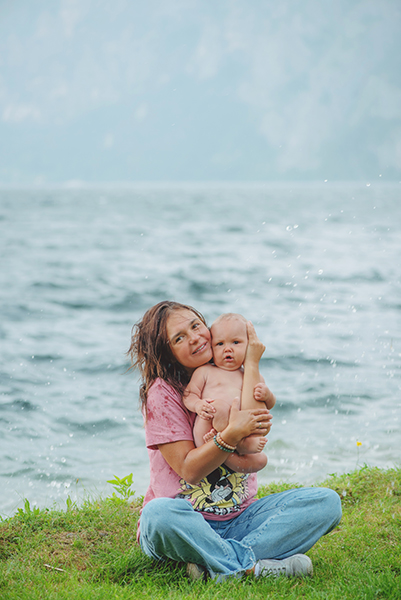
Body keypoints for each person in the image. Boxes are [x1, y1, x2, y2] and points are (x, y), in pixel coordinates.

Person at [127, 301, 342, 582]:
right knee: (158, 515)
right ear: (167, 352)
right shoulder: (163, 392)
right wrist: (229, 435)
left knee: (326, 503)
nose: (194, 338)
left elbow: (256, 420)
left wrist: (251, 362)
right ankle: (253, 567)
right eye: (179, 338)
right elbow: (190, 471)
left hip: (241, 520)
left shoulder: (234, 373)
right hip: (186, 522)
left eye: (195, 326)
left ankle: (217, 565)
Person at [183, 312, 276, 473]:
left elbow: (269, 404)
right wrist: (198, 405)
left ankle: (229, 456)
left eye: (236, 342)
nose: (227, 349)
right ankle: (236, 444)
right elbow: (189, 395)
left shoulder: (251, 376)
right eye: (219, 344)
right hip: (208, 432)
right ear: (211, 347)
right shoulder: (205, 371)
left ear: (249, 346)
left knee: (261, 460)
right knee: (218, 406)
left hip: (242, 434)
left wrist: (267, 395)